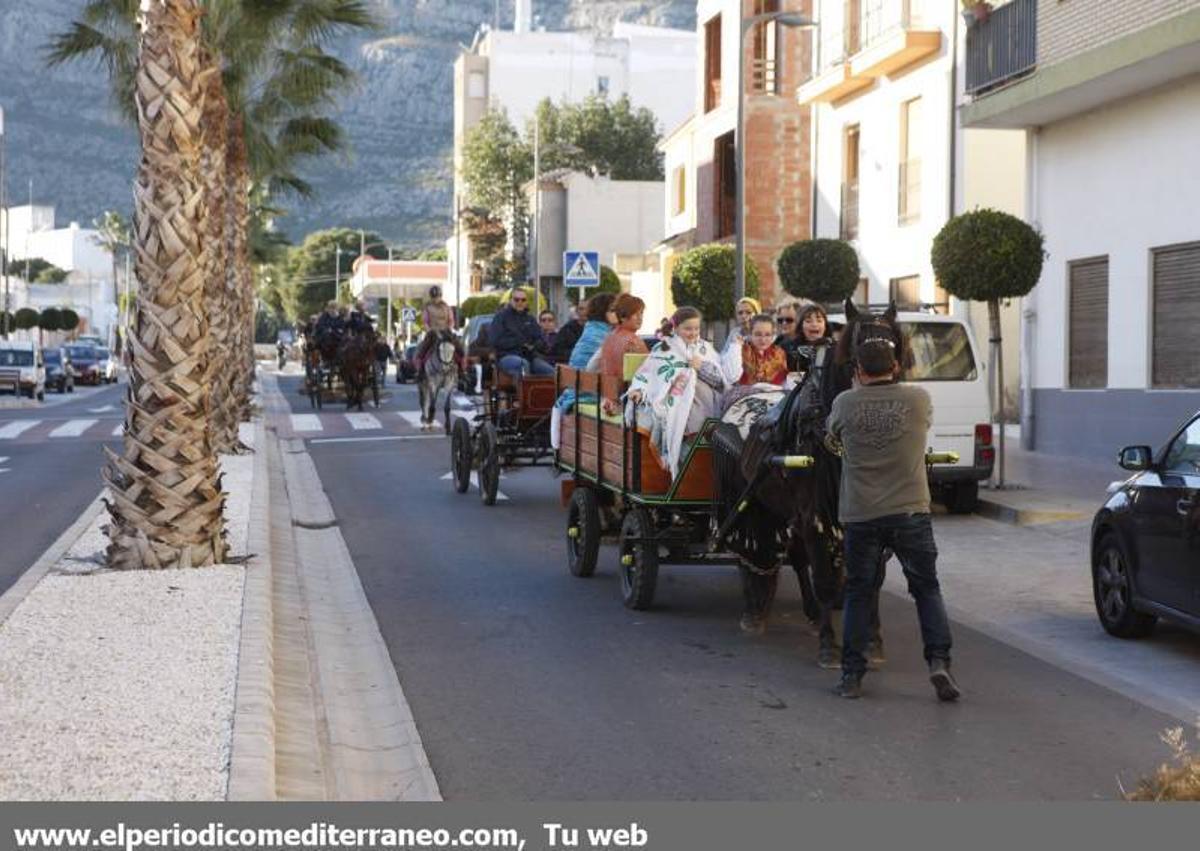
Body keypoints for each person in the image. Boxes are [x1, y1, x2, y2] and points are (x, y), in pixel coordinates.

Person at [826, 337, 959, 702]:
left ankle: (852, 675)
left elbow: (830, 438)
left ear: (857, 371)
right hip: (910, 511)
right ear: (896, 367)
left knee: (858, 591)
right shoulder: (918, 399)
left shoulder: (844, 402)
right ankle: (938, 661)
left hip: (861, 513)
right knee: (926, 589)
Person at [627, 306, 729, 478]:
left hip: (704, 403)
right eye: (688, 328)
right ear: (676, 328)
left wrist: (700, 367)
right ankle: (685, 463)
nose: (693, 333)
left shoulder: (705, 348)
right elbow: (648, 373)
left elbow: (720, 380)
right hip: (675, 401)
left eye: (696, 328)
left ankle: (702, 463)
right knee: (678, 412)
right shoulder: (663, 348)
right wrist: (639, 389)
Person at [598, 294, 649, 414]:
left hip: (607, 400)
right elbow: (650, 373)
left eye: (641, 313)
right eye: (635, 314)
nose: (640, 318)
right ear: (623, 317)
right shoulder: (633, 341)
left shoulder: (610, 337)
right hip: (623, 404)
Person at [492, 288, 553, 377]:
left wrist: (535, 345)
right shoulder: (501, 317)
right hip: (507, 356)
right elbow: (495, 341)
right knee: (523, 365)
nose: (520, 302)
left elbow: (539, 339)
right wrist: (519, 342)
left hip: (530, 357)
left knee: (551, 372)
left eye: (523, 300)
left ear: (526, 302)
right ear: (510, 301)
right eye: (516, 299)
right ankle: (524, 390)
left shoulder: (530, 319)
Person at [415, 285, 462, 373]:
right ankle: (420, 371)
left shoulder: (447, 308)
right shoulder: (427, 308)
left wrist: (449, 328)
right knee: (422, 350)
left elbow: (451, 320)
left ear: (440, 296)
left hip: (446, 332)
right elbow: (425, 322)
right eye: (434, 297)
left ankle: (462, 372)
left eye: (437, 297)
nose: (436, 299)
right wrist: (429, 330)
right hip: (433, 333)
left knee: (460, 349)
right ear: (431, 297)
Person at [793, 303, 834, 373]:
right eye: (808, 321)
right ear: (800, 326)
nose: (814, 324)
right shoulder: (790, 349)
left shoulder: (835, 349)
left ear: (825, 325)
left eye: (819, 321)